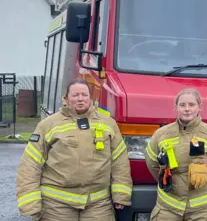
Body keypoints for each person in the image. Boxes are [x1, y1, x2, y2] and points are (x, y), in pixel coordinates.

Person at [16, 78, 132, 221]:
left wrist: (121, 195)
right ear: (66, 98)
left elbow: (119, 161)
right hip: (55, 206)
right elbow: (30, 164)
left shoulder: (108, 124)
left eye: (84, 95)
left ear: (91, 98)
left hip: (98, 205)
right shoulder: (47, 125)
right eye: (75, 95)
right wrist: (30, 202)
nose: (80, 99)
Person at [145, 88, 207, 221]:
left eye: (191, 105)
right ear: (176, 107)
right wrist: (167, 182)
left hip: (203, 211)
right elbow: (152, 163)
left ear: (200, 107)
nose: (187, 109)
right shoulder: (161, 134)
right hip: (167, 208)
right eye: (182, 105)